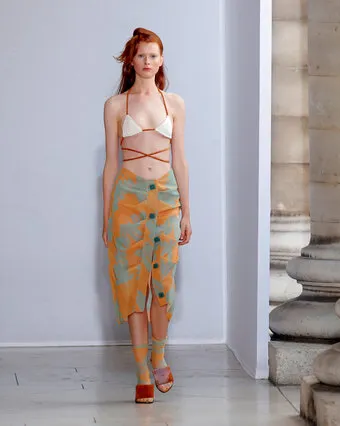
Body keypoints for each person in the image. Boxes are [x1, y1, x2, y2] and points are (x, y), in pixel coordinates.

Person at [102, 27, 192, 404]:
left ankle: (159, 354)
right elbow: (110, 164)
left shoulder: (175, 103)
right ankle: (142, 371)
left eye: (153, 55)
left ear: (161, 59)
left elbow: (180, 161)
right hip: (128, 201)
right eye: (141, 56)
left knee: (163, 285)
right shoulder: (116, 105)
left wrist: (187, 211)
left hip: (167, 201)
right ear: (130, 60)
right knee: (131, 287)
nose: (148, 62)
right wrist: (106, 217)